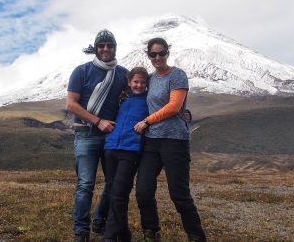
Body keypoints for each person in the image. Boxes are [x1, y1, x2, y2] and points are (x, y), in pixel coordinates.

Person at [134, 38, 207, 242]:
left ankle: (196, 236)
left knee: (179, 194)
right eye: (153, 54)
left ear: (167, 52)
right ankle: (151, 231)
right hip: (151, 142)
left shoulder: (177, 75)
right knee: (143, 190)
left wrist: (147, 121)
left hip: (174, 141)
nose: (157, 57)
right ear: (148, 55)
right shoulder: (149, 78)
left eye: (161, 53)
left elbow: (175, 106)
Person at [67, 29, 128, 242]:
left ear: (114, 48)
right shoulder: (81, 71)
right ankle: (81, 231)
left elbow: (136, 97)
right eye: (101, 45)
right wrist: (97, 121)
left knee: (113, 183)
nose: (105, 49)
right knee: (85, 184)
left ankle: (100, 221)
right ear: (96, 48)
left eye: (109, 45)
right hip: (86, 134)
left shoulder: (122, 74)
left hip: (111, 136)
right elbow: (71, 104)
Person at [103, 67, 149, 242]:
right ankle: (123, 235)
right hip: (111, 148)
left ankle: (109, 236)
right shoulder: (122, 99)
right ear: (129, 82)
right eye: (135, 82)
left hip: (130, 151)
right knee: (113, 191)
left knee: (119, 193)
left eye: (142, 82)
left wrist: (186, 114)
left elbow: (164, 111)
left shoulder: (149, 101)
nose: (138, 85)